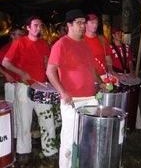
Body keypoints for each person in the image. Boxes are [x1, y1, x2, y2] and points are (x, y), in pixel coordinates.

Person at [46, 9, 103, 168]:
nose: (83, 26)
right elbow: (50, 71)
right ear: (69, 25)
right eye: (79, 23)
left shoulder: (84, 43)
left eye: (84, 22)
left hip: (90, 98)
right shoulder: (61, 44)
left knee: (87, 139)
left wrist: (99, 83)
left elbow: (91, 68)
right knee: (69, 140)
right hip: (72, 100)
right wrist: (63, 92)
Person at [2, 16, 58, 164]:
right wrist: (21, 73)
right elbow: (5, 63)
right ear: (28, 27)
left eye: (40, 25)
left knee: (47, 118)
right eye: (35, 25)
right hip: (23, 87)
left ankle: (50, 149)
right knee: (24, 121)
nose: (38, 28)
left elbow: (47, 64)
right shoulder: (19, 42)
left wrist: (52, 81)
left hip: (41, 87)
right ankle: (23, 151)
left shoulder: (44, 44)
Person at [0, 27, 25, 138]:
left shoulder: (23, 48)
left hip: (22, 84)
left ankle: (19, 136)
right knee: (12, 110)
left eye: (22, 34)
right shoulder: (5, 48)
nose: (22, 37)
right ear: (12, 35)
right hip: (10, 83)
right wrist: (6, 74)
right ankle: (12, 136)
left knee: (22, 111)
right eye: (19, 34)